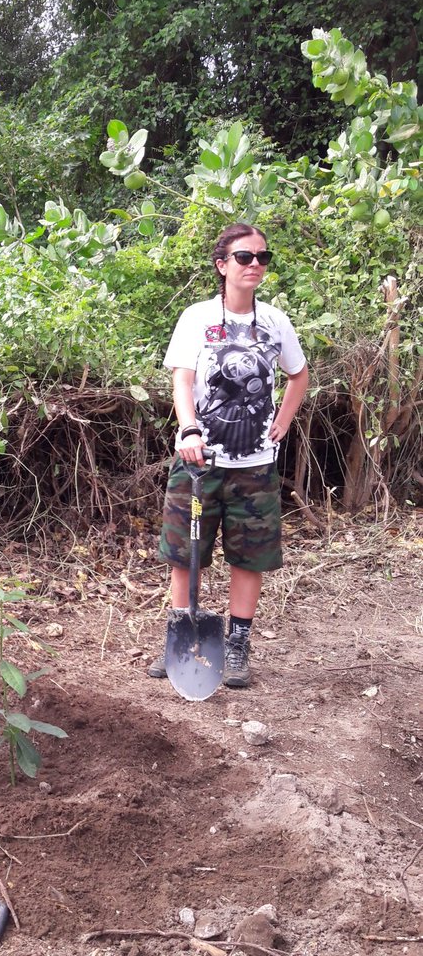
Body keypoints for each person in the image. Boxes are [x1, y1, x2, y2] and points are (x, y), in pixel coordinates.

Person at [147, 222, 309, 688]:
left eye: (262, 257)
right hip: (199, 464)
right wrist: (189, 427)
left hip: (255, 465)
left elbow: (298, 375)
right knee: (184, 555)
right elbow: (182, 379)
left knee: (249, 557)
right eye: (244, 257)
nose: (255, 264)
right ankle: (180, 637)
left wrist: (285, 419)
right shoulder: (197, 318)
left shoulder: (276, 322)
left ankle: (237, 644)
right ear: (222, 265)